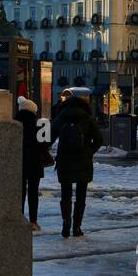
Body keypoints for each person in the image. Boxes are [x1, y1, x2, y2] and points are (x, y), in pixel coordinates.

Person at [52, 89, 102, 238]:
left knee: (65, 194)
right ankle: (77, 227)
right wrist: (89, 152)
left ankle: (65, 224)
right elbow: (99, 140)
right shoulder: (87, 118)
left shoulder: (61, 118)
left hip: (64, 160)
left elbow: (49, 137)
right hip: (83, 161)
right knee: (81, 195)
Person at [15, 96, 47, 231]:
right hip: (35, 162)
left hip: (18, 162)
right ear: (34, 110)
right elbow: (45, 145)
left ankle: (19, 218)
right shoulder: (41, 124)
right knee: (33, 192)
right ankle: (33, 221)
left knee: (19, 192)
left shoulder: (14, 123)